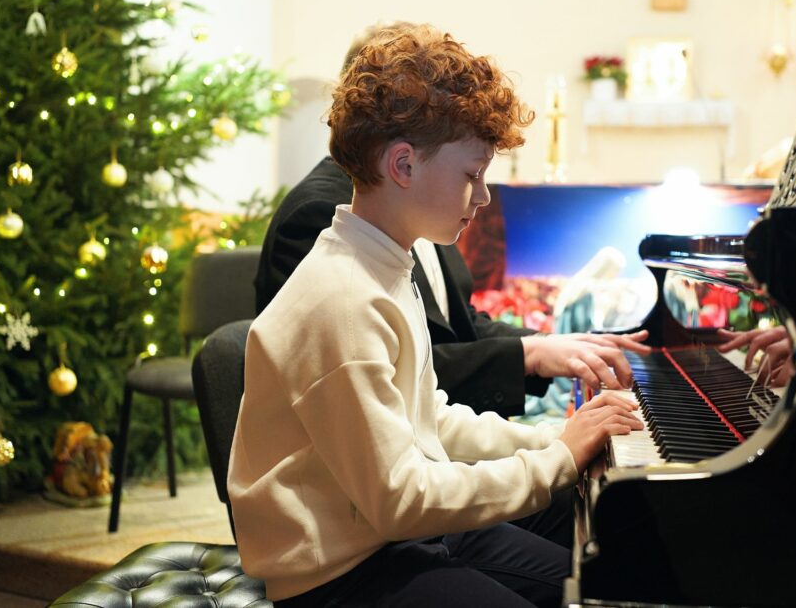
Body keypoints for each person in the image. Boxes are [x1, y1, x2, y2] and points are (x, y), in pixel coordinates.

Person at [229, 24, 645, 607]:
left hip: (393, 536)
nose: (483, 196)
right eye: (472, 175)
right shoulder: (344, 299)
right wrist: (557, 459)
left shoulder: (381, 264)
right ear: (403, 165)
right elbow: (400, 499)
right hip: (341, 573)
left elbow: (431, 420)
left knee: (603, 581)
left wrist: (555, 437)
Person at [255, 21, 651, 417]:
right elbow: (400, 384)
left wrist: (548, 346)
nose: (483, 196)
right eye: (471, 174)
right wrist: (550, 426)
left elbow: (454, 332)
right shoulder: (323, 219)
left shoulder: (409, 212)